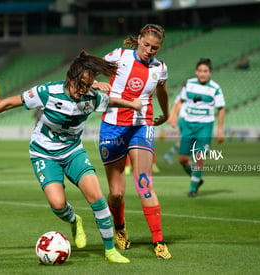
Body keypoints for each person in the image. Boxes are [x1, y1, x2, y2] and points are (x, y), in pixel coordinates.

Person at [0, 51, 142, 263]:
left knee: (98, 199)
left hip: (73, 151)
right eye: (81, 85)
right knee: (57, 204)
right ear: (71, 78)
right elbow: (9, 102)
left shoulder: (92, 98)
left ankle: (110, 251)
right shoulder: (47, 92)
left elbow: (111, 101)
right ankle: (75, 221)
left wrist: (133, 104)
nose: (82, 91)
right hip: (43, 153)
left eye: (88, 85)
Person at [95, 24, 171, 259]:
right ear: (139, 39)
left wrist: (166, 113)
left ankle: (158, 241)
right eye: (146, 45)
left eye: (155, 48)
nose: (149, 50)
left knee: (144, 184)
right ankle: (119, 228)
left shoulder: (160, 68)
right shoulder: (118, 56)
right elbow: (87, 71)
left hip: (142, 126)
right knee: (116, 193)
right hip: (112, 127)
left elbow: (161, 91)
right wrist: (95, 84)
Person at [170, 58, 225, 198]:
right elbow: (180, 101)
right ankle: (197, 178)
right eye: (200, 71)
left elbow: (221, 109)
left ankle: (193, 188)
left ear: (210, 73)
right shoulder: (189, 84)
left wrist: (220, 130)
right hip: (188, 125)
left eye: (205, 71)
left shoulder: (215, 88)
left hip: (205, 126)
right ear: (196, 72)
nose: (202, 73)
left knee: (200, 157)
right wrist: (174, 115)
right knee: (182, 159)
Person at [164, 93, 186, 165]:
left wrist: (172, 118)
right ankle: (169, 155)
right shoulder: (184, 95)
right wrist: (173, 118)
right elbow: (176, 106)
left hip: (186, 120)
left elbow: (175, 106)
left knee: (183, 141)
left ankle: (169, 155)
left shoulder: (181, 95)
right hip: (186, 120)